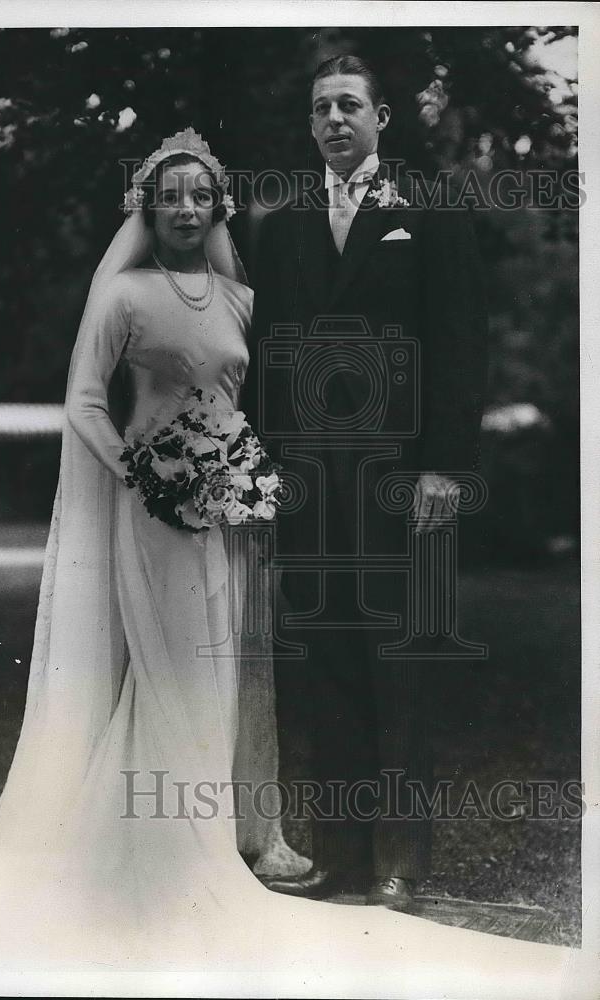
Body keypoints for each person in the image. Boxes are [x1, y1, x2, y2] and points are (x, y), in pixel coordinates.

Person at [0, 130, 570, 997]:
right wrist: (142, 475)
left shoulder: (240, 298)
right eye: (169, 197)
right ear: (148, 208)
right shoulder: (122, 294)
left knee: (231, 669)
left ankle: (226, 834)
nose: (185, 210)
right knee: (169, 667)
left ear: (217, 206)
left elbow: (269, 394)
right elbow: (82, 402)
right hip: (152, 512)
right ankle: (156, 843)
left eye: (199, 196)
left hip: (230, 514)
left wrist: (261, 477)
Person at [241, 55, 488, 910]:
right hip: (311, 477)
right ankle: (340, 855)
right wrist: (265, 472)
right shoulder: (285, 225)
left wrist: (443, 466)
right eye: (321, 109)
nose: (335, 119)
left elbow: (459, 346)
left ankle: (401, 861)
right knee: (326, 662)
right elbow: (270, 358)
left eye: (350, 105)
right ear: (310, 126)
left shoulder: (431, 211)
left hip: (398, 475)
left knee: (400, 664)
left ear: (381, 116)